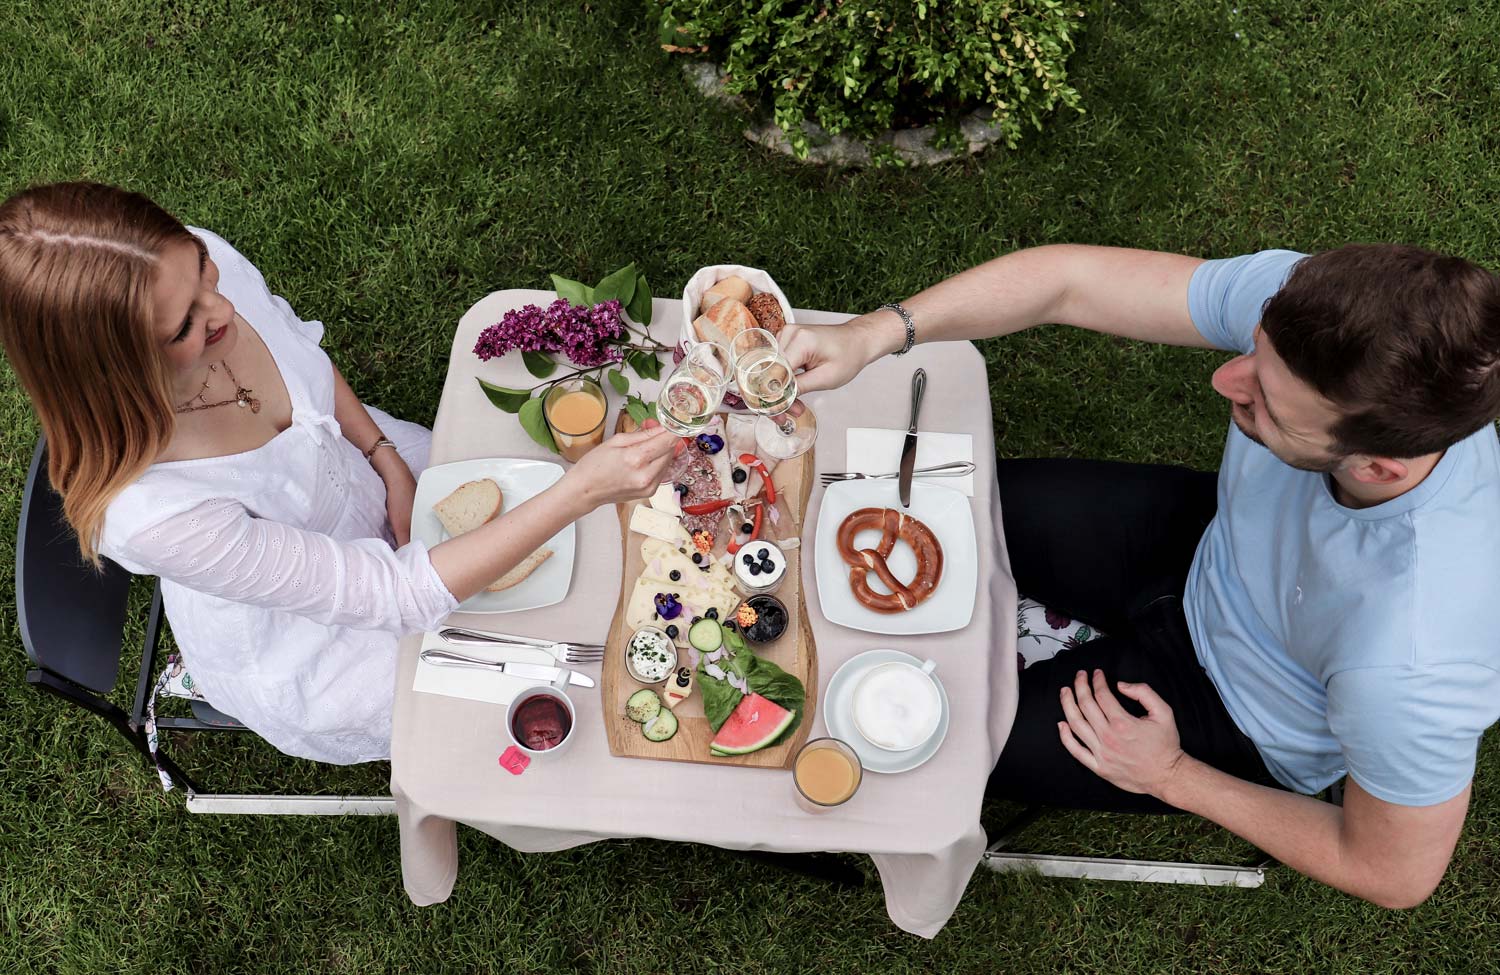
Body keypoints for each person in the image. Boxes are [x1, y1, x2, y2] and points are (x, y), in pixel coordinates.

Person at [780, 243, 1500, 909]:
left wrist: (1175, 775)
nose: (1225, 379)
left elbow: (1394, 872)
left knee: (895, 739)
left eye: (1265, 404)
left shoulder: (1411, 661)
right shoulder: (1323, 315)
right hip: (1201, 544)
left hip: (1234, 712)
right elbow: (1070, 281)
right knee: (934, 506)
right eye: (1253, 351)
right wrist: (873, 335)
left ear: (1378, 467)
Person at [0, 182, 680, 764]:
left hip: (364, 471)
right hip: (320, 637)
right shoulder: (154, 514)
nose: (223, 307)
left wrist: (386, 458)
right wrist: (580, 490)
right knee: (536, 666)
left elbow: (306, 359)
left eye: (205, 270)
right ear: (116, 370)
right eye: (186, 328)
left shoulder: (185, 276)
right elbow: (393, 595)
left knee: (554, 534)